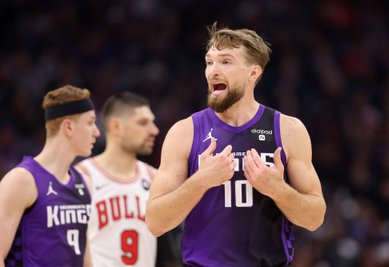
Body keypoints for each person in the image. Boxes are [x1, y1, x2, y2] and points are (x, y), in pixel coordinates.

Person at [145, 23, 326, 267]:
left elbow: (315, 218)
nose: (213, 71)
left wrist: (276, 188)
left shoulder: (288, 130)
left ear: (253, 73)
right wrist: (201, 181)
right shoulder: (184, 132)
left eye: (226, 62)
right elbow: (155, 222)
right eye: (209, 62)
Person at [76, 91, 181, 267]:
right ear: (116, 126)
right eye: (143, 123)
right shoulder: (82, 176)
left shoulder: (154, 177)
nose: (154, 130)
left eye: (152, 122)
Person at [0, 85, 100, 267]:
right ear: (68, 127)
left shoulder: (84, 182)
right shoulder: (22, 180)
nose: (97, 132)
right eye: (90, 122)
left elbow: (84, 258)